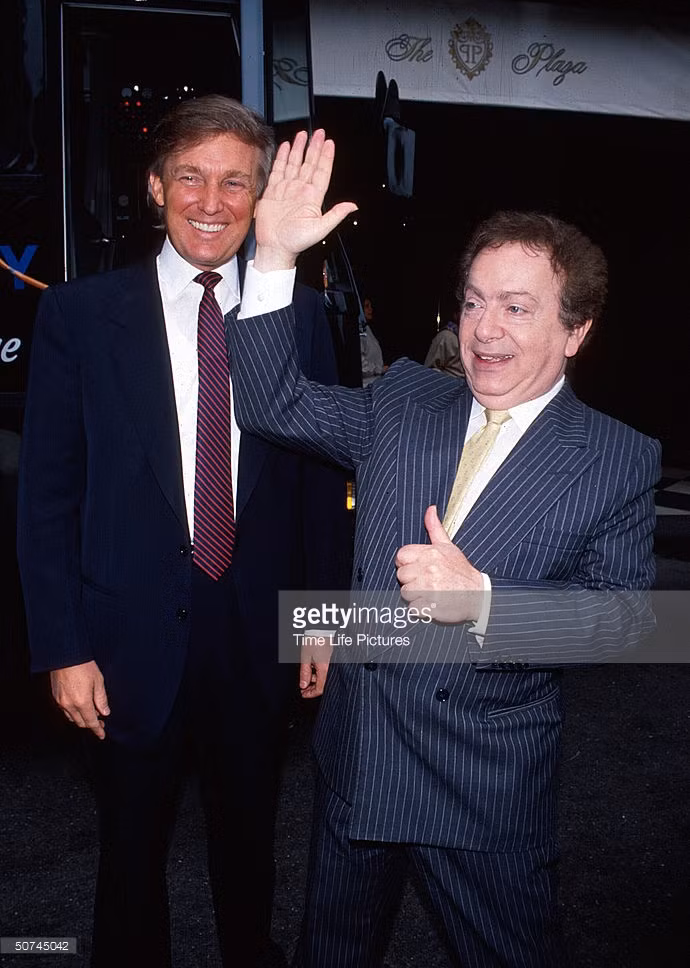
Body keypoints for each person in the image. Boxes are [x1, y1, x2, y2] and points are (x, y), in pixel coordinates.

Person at [225, 130, 661, 967]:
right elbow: (272, 402)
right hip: (360, 767)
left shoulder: (616, 456)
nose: (484, 331)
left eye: (518, 307)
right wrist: (272, 254)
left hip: (483, 790)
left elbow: (630, 622)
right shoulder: (407, 401)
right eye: (472, 302)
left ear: (577, 332)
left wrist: (483, 606)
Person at [17, 98, 349, 968]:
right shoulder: (81, 317)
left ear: (260, 195)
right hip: (124, 642)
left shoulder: (300, 317)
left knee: (252, 847)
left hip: (255, 633)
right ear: (155, 184)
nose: (212, 200)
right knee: (129, 859)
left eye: (236, 180)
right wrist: (62, 646)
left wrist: (323, 620)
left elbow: (320, 479)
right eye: (192, 176)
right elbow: (47, 497)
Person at [424, 306, 465, 377]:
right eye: (462, 312)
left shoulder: (470, 336)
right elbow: (429, 369)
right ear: (455, 315)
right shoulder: (445, 336)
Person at [359, 296, 385, 385]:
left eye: (370, 306)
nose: (371, 309)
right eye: (366, 306)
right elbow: (361, 364)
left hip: (376, 382)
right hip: (367, 385)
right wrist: (379, 369)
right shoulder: (359, 331)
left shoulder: (366, 328)